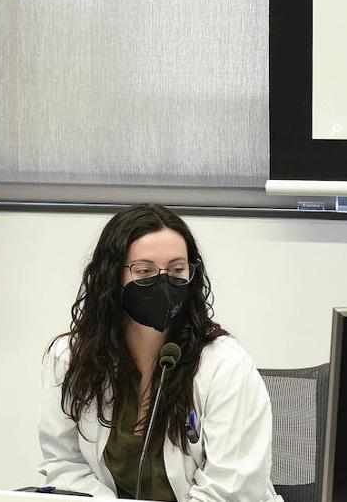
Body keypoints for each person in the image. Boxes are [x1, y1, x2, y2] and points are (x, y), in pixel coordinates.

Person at [37, 204, 280, 502]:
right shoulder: (71, 358)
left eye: (177, 269)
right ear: (112, 276)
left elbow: (230, 491)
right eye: (145, 271)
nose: (164, 282)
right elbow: (65, 465)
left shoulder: (225, 365)